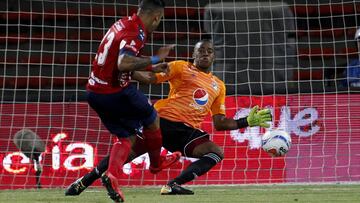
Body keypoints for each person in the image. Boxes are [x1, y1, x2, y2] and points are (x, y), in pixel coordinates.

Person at [65, 39, 272, 196]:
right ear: (194, 54)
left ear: (214, 56)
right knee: (125, 155)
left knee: (215, 152)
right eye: (201, 50)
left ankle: (173, 185)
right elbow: (150, 78)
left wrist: (247, 121)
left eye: (209, 51)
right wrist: (124, 70)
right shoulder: (181, 67)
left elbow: (220, 123)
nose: (205, 54)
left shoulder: (219, 86)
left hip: (187, 132)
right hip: (161, 122)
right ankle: (83, 182)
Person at [79, 0, 181, 202]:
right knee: (152, 118)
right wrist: (154, 59)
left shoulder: (123, 23)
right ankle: (156, 164)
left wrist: (152, 70)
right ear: (156, 17)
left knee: (126, 137)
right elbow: (123, 63)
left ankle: (112, 175)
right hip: (115, 92)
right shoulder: (136, 33)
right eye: (159, 21)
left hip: (94, 92)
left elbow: (117, 64)